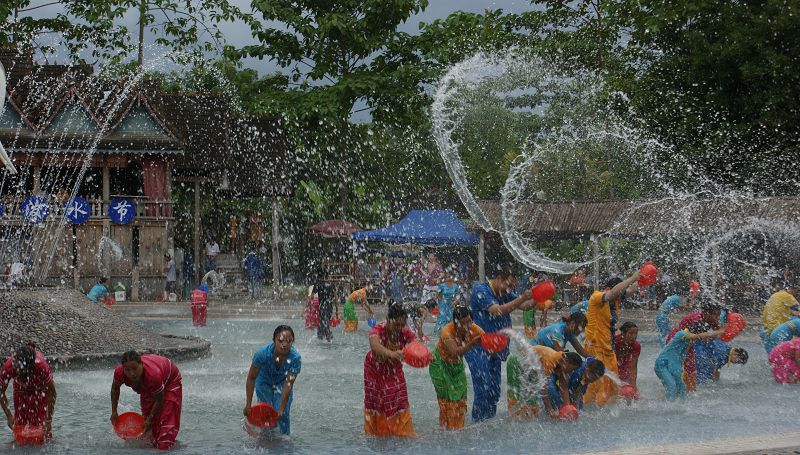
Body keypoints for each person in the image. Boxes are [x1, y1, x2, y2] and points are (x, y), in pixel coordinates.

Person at [465, 267, 533, 422]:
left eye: (513, 287)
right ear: (498, 278)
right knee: (483, 388)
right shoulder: (481, 291)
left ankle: (488, 423)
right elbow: (499, 311)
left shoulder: (505, 292)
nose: (510, 290)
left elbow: (524, 306)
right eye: (509, 285)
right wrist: (522, 298)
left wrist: (537, 295)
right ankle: (477, 425)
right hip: (478, 348)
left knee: (494, 391)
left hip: (496, 348)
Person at [583, 271, 640, 407]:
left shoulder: (615, 300)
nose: (620, 297)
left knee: (614, 383)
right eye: (619, 293)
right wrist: (632, 277)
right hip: (595, 347)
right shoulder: (597, 297)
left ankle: (609, 409)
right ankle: (586, 407)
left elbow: (629, 291)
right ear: (609, 288)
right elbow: (614, 293)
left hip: (609, 348)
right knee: (595, 383)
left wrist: (642, 279)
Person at [363, 303, 417, 437]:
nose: (399, 328)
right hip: (375, 370)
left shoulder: (404, 331)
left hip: (394, 369)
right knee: (378, 402)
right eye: (396, 325)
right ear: (388, 320)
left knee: (401, 399)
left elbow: (416, 344)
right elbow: (375, 346)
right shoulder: (378, 329)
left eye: (402, 325)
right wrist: (391, 353)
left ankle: (404, 432)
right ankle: (379, 433)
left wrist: (425, 355)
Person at [111, 352, 182, 450]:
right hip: (149, 385)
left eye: (135, 368)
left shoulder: (153, 375)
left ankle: (165, 444)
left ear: (141, 364)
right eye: (128, 370)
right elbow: (115, 389)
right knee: (147, 427)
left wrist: (150, 418)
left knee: (165, 419)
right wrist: (114, 411)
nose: (132, 373)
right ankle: (154, 442)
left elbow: (159, 400)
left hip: (170, 380)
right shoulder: (119, 373)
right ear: (123, 369)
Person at [428, 306, 483, 430]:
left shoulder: (473, 328)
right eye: (463, 323)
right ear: (455, 322)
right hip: (440, 365)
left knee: (460, 398)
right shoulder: (446, 332)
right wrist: (472, 343)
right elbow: (455, 352)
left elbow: (487, 340)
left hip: (456, 366)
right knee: (446, 401)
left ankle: (457, 429)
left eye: (469, 321)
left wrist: (496, 346)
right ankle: (445, 430)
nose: (467, 326)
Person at [244, 325, 301, 435]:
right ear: (274, 340)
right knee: (265, 411)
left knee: (283, 414)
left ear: (292, 342)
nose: (284, 344)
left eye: (288, 341)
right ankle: (265, 437)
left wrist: (281, 408)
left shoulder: (295, 358)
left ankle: (285, 440)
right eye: (280, 340)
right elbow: (251, 378)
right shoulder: (261, 354)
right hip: (264, 380)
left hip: (282, 382)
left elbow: (288, 384)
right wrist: (248, 404)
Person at [507, 347, 582, 419]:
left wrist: (567, 407)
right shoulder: (550, 361)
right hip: (516, 364)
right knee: (516, 398)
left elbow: (564, 387)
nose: (571, 372)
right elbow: (543, 388)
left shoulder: (561, 362)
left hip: (531, 371)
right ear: (566, 362)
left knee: (533, 408)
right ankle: (513, 419)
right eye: (572, 369)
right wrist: (550, 410)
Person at [0, 344, 56, 439]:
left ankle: (46, 443)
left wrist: (48, 420)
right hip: (20, 388)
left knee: (42, 425)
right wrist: (9, 415)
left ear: (31, 366)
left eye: (20, 370)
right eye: (16, 369)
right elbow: (1, 392)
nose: (17, 371)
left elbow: (52, 393)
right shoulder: (9, 367)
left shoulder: (41, 366)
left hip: (40, 388)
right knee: (20, 422)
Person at [666, 303, 723, 392]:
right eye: (716, 315)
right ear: (708, 313)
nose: (718, 318)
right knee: (678, 366)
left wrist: (719, 328)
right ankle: (674, 388)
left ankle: (690, 390)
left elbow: (716, 331)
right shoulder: (696, 319)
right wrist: (720, 331)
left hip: (688, 342)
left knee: (691, 366)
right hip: (676, 341)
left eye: (719, 315)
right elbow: (705, 339)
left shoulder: (706, 317)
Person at [655, 328, 723, 400]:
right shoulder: (681, 334)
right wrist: (718, 332)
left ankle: (680, 405)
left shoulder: (689, 342)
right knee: (672, 386)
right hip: (662, 365)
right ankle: (667, 406)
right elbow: (699, 336)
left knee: (682, 387)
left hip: (672, 366)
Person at [760, 280, 799, 350]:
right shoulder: (787, 296)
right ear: (793, 289)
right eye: (797, 291)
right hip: (778, 330)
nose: (796, 293)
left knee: (773, 355)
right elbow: (798, 309)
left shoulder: (776, 295)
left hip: (765, 330)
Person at [614, 322, 640, 390]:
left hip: (626, 360)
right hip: (614, 360)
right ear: (623, 333)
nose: (634, 336)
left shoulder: (636, 345)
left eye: (635, 334)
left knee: (626, 377)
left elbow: (633, 368)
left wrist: (634, 386)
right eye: (631, 333)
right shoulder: (615, 341)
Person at [315, 274, 335, 342]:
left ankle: (323, 334)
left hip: (322, 305)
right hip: (329, 306)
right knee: (326, 320)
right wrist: (337, 309)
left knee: (322, 320)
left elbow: (315, 297)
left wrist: (316, 306)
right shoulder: (331, 286)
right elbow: (334, 297)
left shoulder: (319, 285)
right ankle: (327, 334)